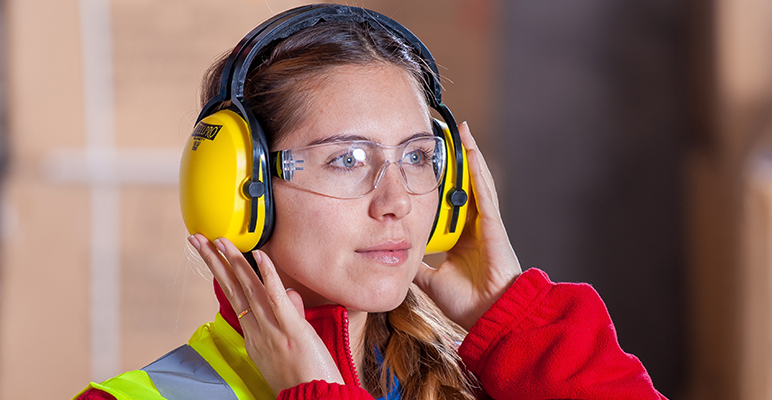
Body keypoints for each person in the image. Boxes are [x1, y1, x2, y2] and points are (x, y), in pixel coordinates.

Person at [74, 4, 665, 400]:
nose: (397, 202)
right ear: (235, 190)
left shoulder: (479, 380)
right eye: (347, 160)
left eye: (416, 157)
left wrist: (517, 321)